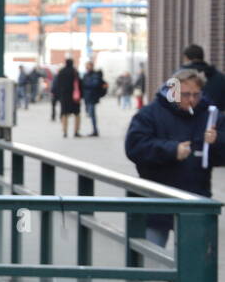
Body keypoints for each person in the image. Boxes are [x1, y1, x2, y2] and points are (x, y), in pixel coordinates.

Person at [124, 68, 223, 247]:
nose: (191, 100)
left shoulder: (210, 115)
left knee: (193, 263)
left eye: (196, 94)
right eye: (185, 95)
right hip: (156, 199)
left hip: (195, 199)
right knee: (150, 261)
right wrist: (171, 150)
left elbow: (220, 155)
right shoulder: (150, 113)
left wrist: (217, 141)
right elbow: (134, 147)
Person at [179, 44, 225, 109]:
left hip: (189, 117)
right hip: (215, 117)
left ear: (186, 58)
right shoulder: (220, 77)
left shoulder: (181, 77)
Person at [52, 57, 81, 137]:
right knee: (77, 114)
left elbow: (57, 84)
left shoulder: (61, 72)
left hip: (64, 96)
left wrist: (57, 95)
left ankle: (65, 131)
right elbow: (79, 84)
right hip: (74, 97)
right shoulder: (75, 72)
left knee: (64, 114)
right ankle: (76, 131)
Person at [80, 60, 107, 136]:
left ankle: (95, 130)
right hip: (87, 97)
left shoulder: (95, 75)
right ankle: (94, 130)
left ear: (91, 66)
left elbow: (95, 84)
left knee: (92, 114)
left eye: (88, 66)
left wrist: (85, 84)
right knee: (90, 114)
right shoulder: (86, 75)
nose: (87, 67)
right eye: (86, 66)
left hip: (92, 97)